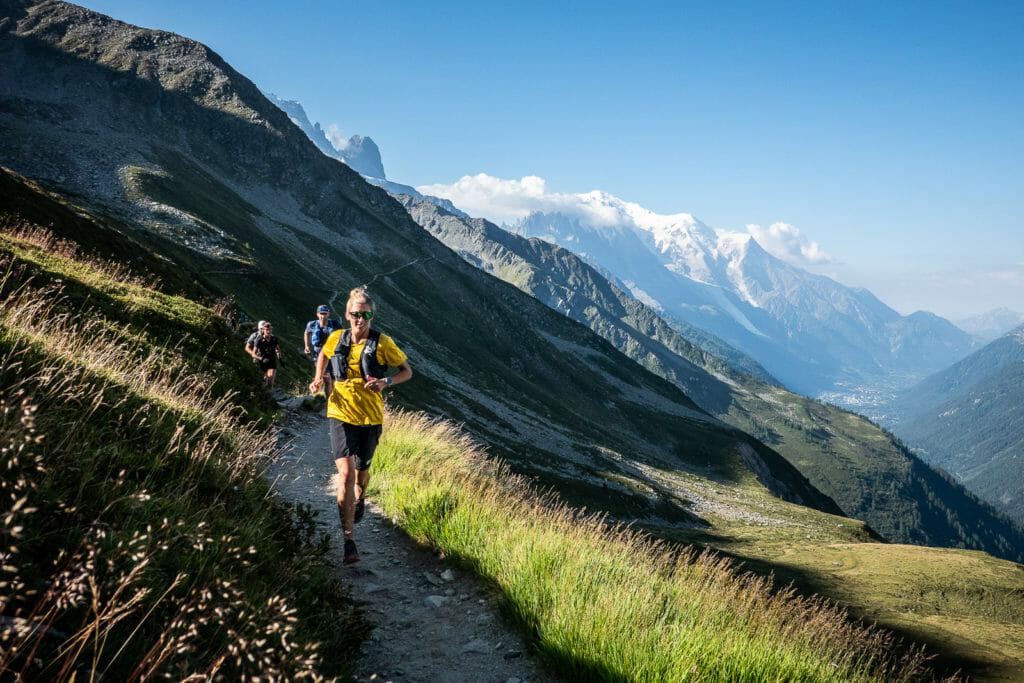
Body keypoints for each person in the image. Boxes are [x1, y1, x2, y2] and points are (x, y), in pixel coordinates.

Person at [308, 288, 412, 565]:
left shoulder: (383, 343)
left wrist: (385, 382)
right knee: (346, 474)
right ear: (347, 314)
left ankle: (362, 496)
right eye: (355, 314)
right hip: (340, 413)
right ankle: (349, 541)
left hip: (370, 417)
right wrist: (319, 378)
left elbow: (406, 371)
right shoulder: (336, 337)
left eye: (365, 314)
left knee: (362, 472)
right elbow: (323, 356)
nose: (360, 319)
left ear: (371, 315)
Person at [304, 304, 342, 395]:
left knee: (333, 379)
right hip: (319, 355)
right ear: (317, 314)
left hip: (333, 355)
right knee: (326, 378)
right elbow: (307, 333)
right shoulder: (312, 325)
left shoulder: (335, 324)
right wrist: (307, 346)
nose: (323, 316)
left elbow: (342, 335)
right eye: (321, 313)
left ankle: (332, 399)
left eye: (325, 314)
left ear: (328, 314)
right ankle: (328, 401)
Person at [247, 320, 282, 388]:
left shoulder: (273, 337)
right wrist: (255, 356)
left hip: (269, 359)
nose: (268, 331)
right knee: (262, 379)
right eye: (261, 329)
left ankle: (270, 391)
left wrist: (280, 358)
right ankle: (261, 391)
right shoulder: (255, 336)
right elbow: (247, 348)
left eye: (270, 329)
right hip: (259, 358)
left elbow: (277, 348)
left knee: (270, 378)